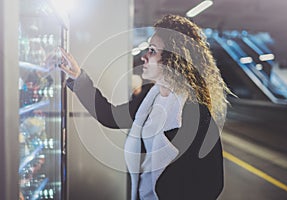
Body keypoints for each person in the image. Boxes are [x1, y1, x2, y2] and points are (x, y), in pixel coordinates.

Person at [60, 14, 231, 200]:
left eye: (152, 50)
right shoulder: (149, 97)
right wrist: (79, 78)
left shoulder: (194, 112)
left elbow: (212, 184)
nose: (144, 57)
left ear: (172, 58)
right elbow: (110, 116)